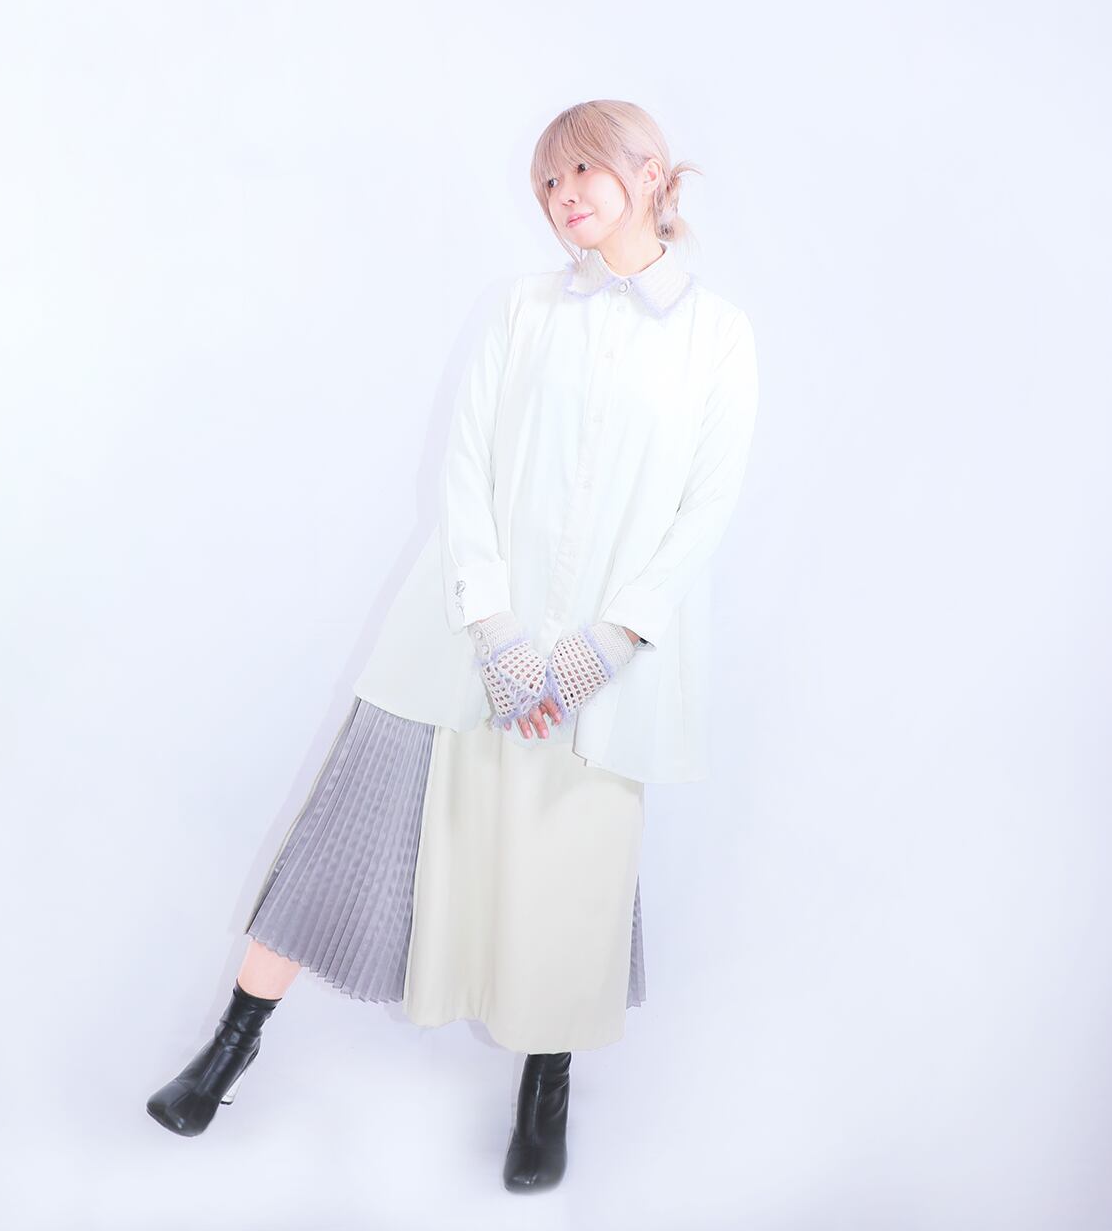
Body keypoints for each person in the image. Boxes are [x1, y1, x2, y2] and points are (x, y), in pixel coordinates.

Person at [145, 99, 760, 1194]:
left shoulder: (718, 336)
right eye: (546, 182)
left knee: (570, 875)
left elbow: (702, 512)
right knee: (345, 839)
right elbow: (465, 469)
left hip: (604, 672)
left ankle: (544, 1091)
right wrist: (495, 630)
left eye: (580, 171)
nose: (561, 197)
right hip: (459, 638)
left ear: (647, 171)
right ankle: (229, 1047)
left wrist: (604, 643)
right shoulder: (522, 309)